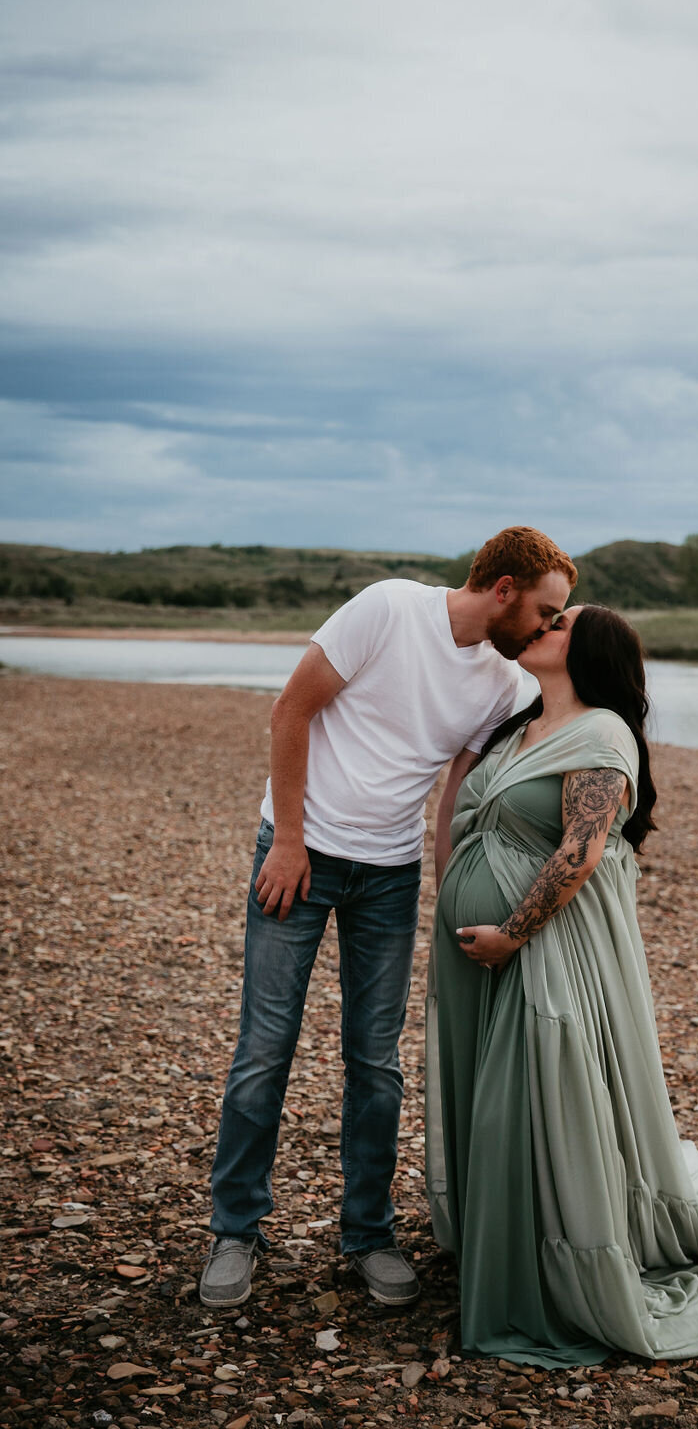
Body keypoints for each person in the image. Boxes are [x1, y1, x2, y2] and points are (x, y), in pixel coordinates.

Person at [425, 604, 698, 1366]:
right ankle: (496, 1236)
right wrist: (452, 897)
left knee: (536, 1090)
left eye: (561, 622)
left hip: (541, 949)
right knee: (484, 1087)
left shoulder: (602, 732)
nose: (541, 624)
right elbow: (466, 819)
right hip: (475, 951)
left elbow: (581, 847)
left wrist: (511, 934)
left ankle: (549, 1259)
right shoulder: (519, 727)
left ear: (592, 651)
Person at [200, 528, 577, 1311]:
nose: (545, 630)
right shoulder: (387, 608)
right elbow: (290, 711)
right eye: (544, 612)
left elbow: (456, 796)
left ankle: (367, 1234)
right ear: (503, 589)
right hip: (298, 856)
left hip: (391, 876)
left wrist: (446, 893)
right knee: (265, 1048)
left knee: (376, 1063)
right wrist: (292, 841)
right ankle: (236, 1231)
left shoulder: (504, 688)